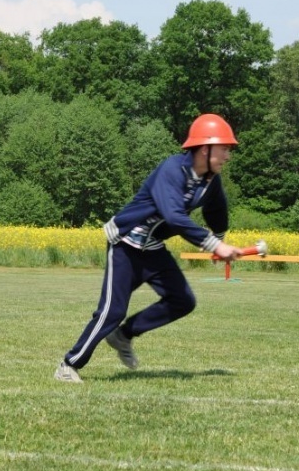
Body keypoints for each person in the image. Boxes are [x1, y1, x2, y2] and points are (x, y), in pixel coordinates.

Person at [55, 113, 245, 383]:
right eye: (224, 148)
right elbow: (174, 216)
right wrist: (215, 245)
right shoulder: (171, 170)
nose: (228, 155)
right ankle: (68, 365)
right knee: (112, 311)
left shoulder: (209, 182)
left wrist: (220, 240)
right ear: (205, 148)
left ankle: (123, 335)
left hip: (153, 249)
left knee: (183, 300)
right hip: (125, 245)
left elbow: (218, 210)